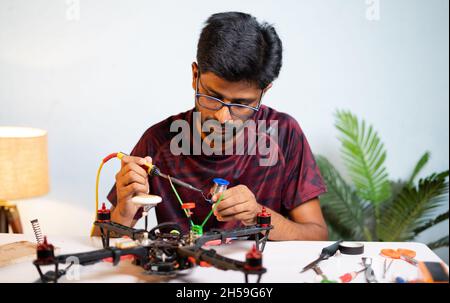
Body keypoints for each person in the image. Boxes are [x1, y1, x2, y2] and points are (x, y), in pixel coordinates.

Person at [107, 12, 328, 240]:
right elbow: (100, 239)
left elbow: (317, 236)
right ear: (195, 76)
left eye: (242, 104)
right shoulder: (158, 141)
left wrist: (258, 215)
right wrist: (124, 209)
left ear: (264, 92)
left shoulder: (284, 135)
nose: (223, 118)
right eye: (213, 97)